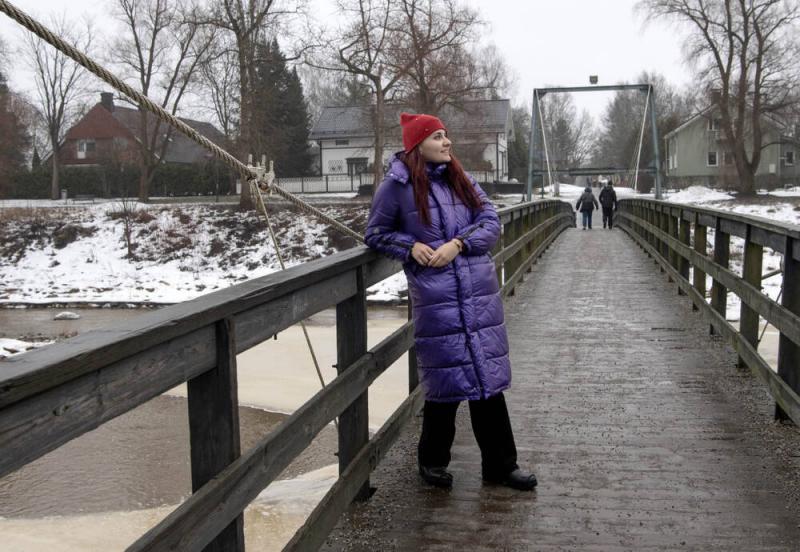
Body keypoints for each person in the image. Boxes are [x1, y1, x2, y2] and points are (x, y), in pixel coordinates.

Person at [365, 112, 538, 492]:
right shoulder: (396, 186)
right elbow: (375, 233)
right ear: (418, 145)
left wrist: (458, 244)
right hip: (437, 295)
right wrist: (411, 246)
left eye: (446, 136)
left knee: (487, 380)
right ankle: (431, 461)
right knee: (446, 380)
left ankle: (501, 466)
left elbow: (491, 221)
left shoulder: (462, 178)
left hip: (477, 291)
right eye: (438, 137)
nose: (447, 143)